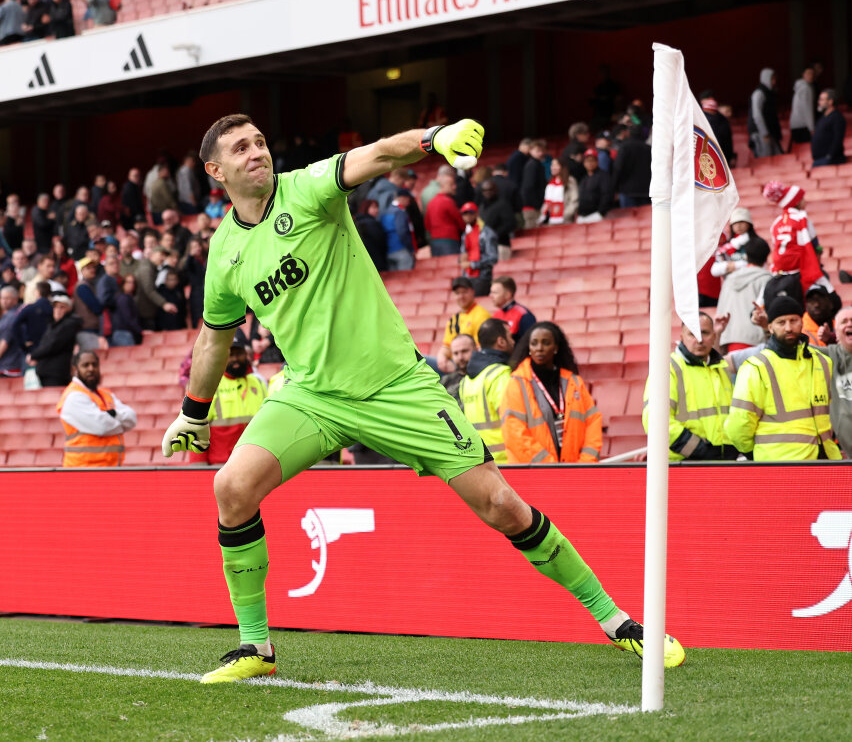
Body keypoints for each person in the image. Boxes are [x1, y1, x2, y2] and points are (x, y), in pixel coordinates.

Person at [160, 113, 684, 683]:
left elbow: (379, 155)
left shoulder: (307, 188)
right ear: (215, 171)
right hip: (311, 394)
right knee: (231, 487)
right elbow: (215, 334)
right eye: (241, 148)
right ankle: (255, 649)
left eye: (261, 141)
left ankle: (618, 622)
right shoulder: (225, 251)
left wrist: (434, 140)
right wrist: (193, 411)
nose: (257, 152)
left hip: (398, 388)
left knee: (502, 507)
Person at [725, 296, 840, 460]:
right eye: (781, 322)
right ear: (770, 327)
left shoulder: (822, 362)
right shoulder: (755, 368)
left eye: (794, 320)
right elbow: (738, 426)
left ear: (802, 323)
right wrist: (757, 452)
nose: (788, 328)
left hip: (824, 459)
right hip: (778, 465)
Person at [501, 322, 602, 464]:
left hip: (574, 472)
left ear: (556, 348)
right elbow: (514, 432)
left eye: (546, 343)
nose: (539, 348)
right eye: (534, 343)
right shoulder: (517, 383)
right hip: (535, 474)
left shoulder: (575, 382)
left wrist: (585, 463)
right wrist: (549, 467)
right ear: (529, 348)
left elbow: (593, 423)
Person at [643, 313, 738, 461]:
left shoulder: (721, 368)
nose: (699, 339)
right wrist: (700, 450)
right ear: (682, 337)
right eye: (692, 334)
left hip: (723, 461)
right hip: (684, 465)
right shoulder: (666, 369)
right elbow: (655, 421)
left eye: (704, 333)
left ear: (714, 336)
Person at [57, 350, 137, 467]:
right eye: (85, 365)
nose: (91, 369)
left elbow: (132, 418)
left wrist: (113, 414)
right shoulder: (73, 396)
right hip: (82, 470)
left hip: (110, 469)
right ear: (75, 370)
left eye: (94, 365)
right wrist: (122, 424)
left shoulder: (105, 394)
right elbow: (101, 427)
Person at [202, 331, 268, 465]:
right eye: (230, 355)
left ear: (246, 354)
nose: (235, 359)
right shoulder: (211, 386)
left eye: (238, 353)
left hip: (255, 464)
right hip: (222, 466)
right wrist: (198, 467)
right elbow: (197, 428)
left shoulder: (259, 383)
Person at [459, 318, 514, 464]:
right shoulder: (500, 374)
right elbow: (512, 422)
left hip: (481, 461)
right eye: (510, 337)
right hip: (506, 461)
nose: (514, 341)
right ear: (501, 341)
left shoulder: (466, 380)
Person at [716, 237, 771, 352]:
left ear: (746, 256)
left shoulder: (729, 279)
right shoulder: (767, 279)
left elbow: (721, 310)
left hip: (729, 339)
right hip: (756, 340)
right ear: (766, 256)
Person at [435, 276, 492, 374]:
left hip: (468, 364)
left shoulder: (482, 315)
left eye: (464, 292)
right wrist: (442, 358)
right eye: (457, 293)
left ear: (472, 292)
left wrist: (458, 367)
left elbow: (480, 349)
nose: (461, 296)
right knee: (422, 362)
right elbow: (447, 345)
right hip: (453, 363)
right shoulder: (454, 319)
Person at [28, 292, 83, 387]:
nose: (58, 310)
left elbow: (53, 345)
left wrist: (34, 355)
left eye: (62, 307)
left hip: (56, 373)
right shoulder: (53, 325)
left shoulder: (69, 324)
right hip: (45, 371)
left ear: (69, 309)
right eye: (56, 307)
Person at [820, 306, 852, 455]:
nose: (849, 324)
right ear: (837, 333)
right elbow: (796, 347)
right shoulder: (829, 356)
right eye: (844, 321)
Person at [459, 201, 497, 296]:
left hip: (482, 277)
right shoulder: (466, 234)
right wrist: (461, 259)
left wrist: (472, 264)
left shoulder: (486, 233)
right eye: (465, 213)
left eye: (470, 213)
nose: (468, 216)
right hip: (467, 277)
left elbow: (493, 258)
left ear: (476, 213)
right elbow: (463, 255)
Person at [423, 169, 465, 256]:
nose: (455, 187)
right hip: (450, 241)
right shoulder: (448, 202)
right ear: (443, 186)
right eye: (451, 185)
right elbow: (460, 222)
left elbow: (427, 225)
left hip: (435, 241)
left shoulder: (431, 202)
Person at [612, 125, 652, 208]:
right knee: (646, 220)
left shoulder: (624, 147)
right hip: (646, 191)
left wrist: (614, 189)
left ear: (629, 133)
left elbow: (618, 168)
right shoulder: (649, 149)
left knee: (628, 219)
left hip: (627, 191)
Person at [477, 178, 516, 262]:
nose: (487, 192)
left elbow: (511, 223)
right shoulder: (482, 207)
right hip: (485, 248)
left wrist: (494, 234)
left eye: (490, 189)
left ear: (495, 190)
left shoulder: (503, 204)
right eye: (484, 190)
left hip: (501, 245)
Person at [489, 276, 536, 344]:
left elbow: (529, 342)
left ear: (508, 294)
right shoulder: (496, 314)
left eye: (495, 293)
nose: (490, 295)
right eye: (491, 292)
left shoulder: (523, 315)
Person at [748, 68, 782, 158]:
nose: (774, 82)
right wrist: (764, 133)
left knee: (778, 157)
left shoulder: (770, 93)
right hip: (761, 133)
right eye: (772, 79)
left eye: (775, 79)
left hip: (770, 132)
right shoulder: (759, 93)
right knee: (766, 160)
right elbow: (757, 115)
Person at [380, 188, 415, 271]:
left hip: (389, 251)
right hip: (401, 250)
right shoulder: (399, 212)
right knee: (405, 279)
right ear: (402, 198)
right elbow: (402, 231)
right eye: (408, 200)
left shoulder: (385, 211)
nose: (409, 203)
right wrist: (410, 248)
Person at [811, 88, 847, 167]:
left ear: (830, 101)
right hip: (819, 159)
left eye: (822, 99)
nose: (819, 102)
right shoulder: (823, 117)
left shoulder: (837, 117)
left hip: (830, 160)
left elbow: (837, 139)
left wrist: (829, 156)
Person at [519, 139, 547, 230]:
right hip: (532, 207)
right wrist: (537, 205)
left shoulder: (537, 164)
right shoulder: (532, 165)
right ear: (530, 151)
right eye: (537, 151)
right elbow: (528, 187)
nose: (541, 153)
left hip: (535, 205)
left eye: (542, 151)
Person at [439, 333, 474, 404]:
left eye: (464, 351)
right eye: (456, 353)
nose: (460, 357)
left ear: (476, 349)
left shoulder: (484, 377)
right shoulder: (445, 381)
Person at [353, 199, 387, 272]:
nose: (376, 210)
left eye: (377, 207)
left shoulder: (357, 221)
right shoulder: (371, 223)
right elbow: (380, 241)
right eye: (373, 207)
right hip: (375, 258)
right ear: (366, 208)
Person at [789, 68, 816, 146]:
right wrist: (811, 128)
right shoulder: (806, 88)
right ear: (803, 74)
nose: (811, 75)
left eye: (812, 73)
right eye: (808, 73)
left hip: (795, 125)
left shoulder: (799, 86)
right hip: (803, 126)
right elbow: (807, 109)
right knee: (806, 151)